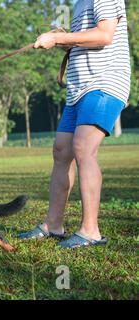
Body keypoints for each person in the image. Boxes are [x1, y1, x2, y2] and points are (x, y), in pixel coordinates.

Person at [18, 0, 131, 248]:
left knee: (83, 148)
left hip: (104, 83)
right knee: (61, 150)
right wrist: (61, 40)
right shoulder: (80, 3)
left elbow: (104, 35)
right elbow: (86, 39)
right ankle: (53, 225)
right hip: (78, 89)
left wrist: (59, 39)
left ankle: (90, 231)